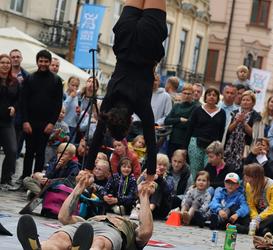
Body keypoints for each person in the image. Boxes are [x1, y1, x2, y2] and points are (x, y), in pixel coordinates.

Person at [86, 0, 168, 182]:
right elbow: (98, 135)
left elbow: (151, 141)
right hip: (125, 35)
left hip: (148, 42)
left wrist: (151, 174)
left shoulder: (141, 105)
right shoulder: (109, 102)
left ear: (130, 121)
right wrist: (87, 167)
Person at [17, 170, 156, 250]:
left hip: (114, 230)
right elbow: (63, 217)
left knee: (100, 242)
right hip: (88, 225)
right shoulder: (86, 224)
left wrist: (144, 196)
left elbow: (146, 232)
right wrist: (79, 187)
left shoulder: (131, 229)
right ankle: (38, 248)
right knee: (60, 238)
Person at [21, 49, 63, 180]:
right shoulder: (29, 78)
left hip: (46, 124)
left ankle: (36, 179)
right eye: (41, 61)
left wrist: (52, 122)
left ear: (50, 62)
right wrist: (25, 121)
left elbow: (57, 104)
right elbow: (23, 101)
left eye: (46, 61)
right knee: (28, 152)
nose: (43, 63)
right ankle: (25, 177)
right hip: (30, 122)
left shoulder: (56, 81)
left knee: (40, 152)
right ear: (37, 62)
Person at [184, 87, 226, 180]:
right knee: (196, 172)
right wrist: (185, 147)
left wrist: (220, 148)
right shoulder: (197, 110)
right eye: (209, 95)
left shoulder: (222, 112)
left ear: (218, 98)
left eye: (214, 95)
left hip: (213, 147)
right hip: (196, 144)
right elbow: (189, 129)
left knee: (209, 172)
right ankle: (194, 192)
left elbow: (221, 132)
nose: (211, 97)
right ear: (205, 97)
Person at [244, 163, 273, 237]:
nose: (246, 180)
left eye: (249, 177)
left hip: (271, 215)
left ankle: (254, 228)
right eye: (246, 176)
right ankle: (263, 230)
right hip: (258, 214)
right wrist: (255, 218)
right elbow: (250, 204)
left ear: (257, 178)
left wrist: (258, 219)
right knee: (244, 213)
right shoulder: (249, 185)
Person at [224, 90, 261, 176]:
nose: (245, 102)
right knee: (227, 169)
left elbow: (254, 134)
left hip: (245, 148)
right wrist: (237, 122)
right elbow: (228, 130)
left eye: (248, 100)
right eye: (243, 100)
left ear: (253, 103)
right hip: (231, 146)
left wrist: (244, 122)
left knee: (242, 171)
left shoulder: (256, 116)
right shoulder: (234, 113)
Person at [0, 54, 20, 189]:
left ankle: (5, 179)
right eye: (2, 62)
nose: (6, 65)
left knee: (12, 150)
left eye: (8, 63)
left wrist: (15, 107)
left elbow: (19, 99)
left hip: (7, 122)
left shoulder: (14, 81)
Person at [137, 153, 174, 219]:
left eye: (164, 165)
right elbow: (138, 184)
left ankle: (150, 208)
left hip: (161, 207)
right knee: (147, 184)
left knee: (156, 186)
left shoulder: (169, 177)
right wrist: (146, 177)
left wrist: (159, 179)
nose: (162, 167)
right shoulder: (148, 173)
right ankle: (139, 207)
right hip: (145, 203)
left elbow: (168, 190)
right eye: (159, 164)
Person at [164, 83, 197, 158]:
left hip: (185, 141)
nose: (186, 95)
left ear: (192, 95)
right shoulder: (176, 106)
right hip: (173, 139)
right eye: (185, 93)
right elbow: (167, 120)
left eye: (189, 94)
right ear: (181, 94)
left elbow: (190, 124)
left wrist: (175, 122)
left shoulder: (195, 108)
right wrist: (180, 119)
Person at [9, 49, 29, 159]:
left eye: (18, 57)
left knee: (15, 147)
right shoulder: (4, 74)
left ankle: (10, 173)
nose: (16, 59)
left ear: (21, 58)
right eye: (13, 57)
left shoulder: (27, 76)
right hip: (4, 114)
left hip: (19, 117)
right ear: (10, 58)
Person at [63, 76, 80, 142]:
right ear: (68, 84)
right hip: (63, 125)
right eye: (73, 85)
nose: (74, 88)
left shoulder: (78, 98)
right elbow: (62, 108)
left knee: (70, 147)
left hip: (73, 126)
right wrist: (70, 97)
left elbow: (76, 113)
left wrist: (78, 113)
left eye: (77, 86)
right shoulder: (64, 95)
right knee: (61, 144)